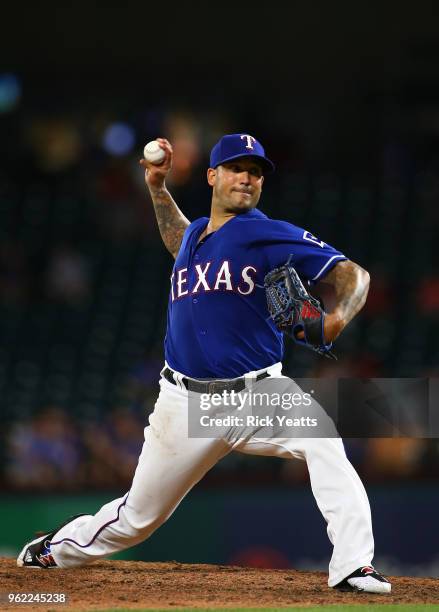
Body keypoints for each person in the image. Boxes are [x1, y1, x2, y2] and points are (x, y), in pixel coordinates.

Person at [17, 134, 391, 594]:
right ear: (213, 176)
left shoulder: (264, 231)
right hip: (183, 402)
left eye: (255, 172)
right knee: (137, 519)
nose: (247, 178)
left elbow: (354, 274)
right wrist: (157, 188)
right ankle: (55, 549)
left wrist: (336, 318)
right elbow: (179, 238)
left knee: (324, 442)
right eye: (237, 168)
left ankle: (354, 566)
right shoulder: (196, 234)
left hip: (259, 393)